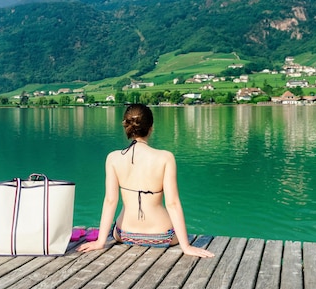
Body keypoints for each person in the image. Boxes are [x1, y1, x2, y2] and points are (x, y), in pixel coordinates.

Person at [77, 104, 214, 258]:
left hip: (124, 234)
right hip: (162, 236)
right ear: (151, 128)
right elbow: (172, 203)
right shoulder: (165, 157)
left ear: (126, 127)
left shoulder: (113, 158)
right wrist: (186, 246)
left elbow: (110, 201)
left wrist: (100, 242)